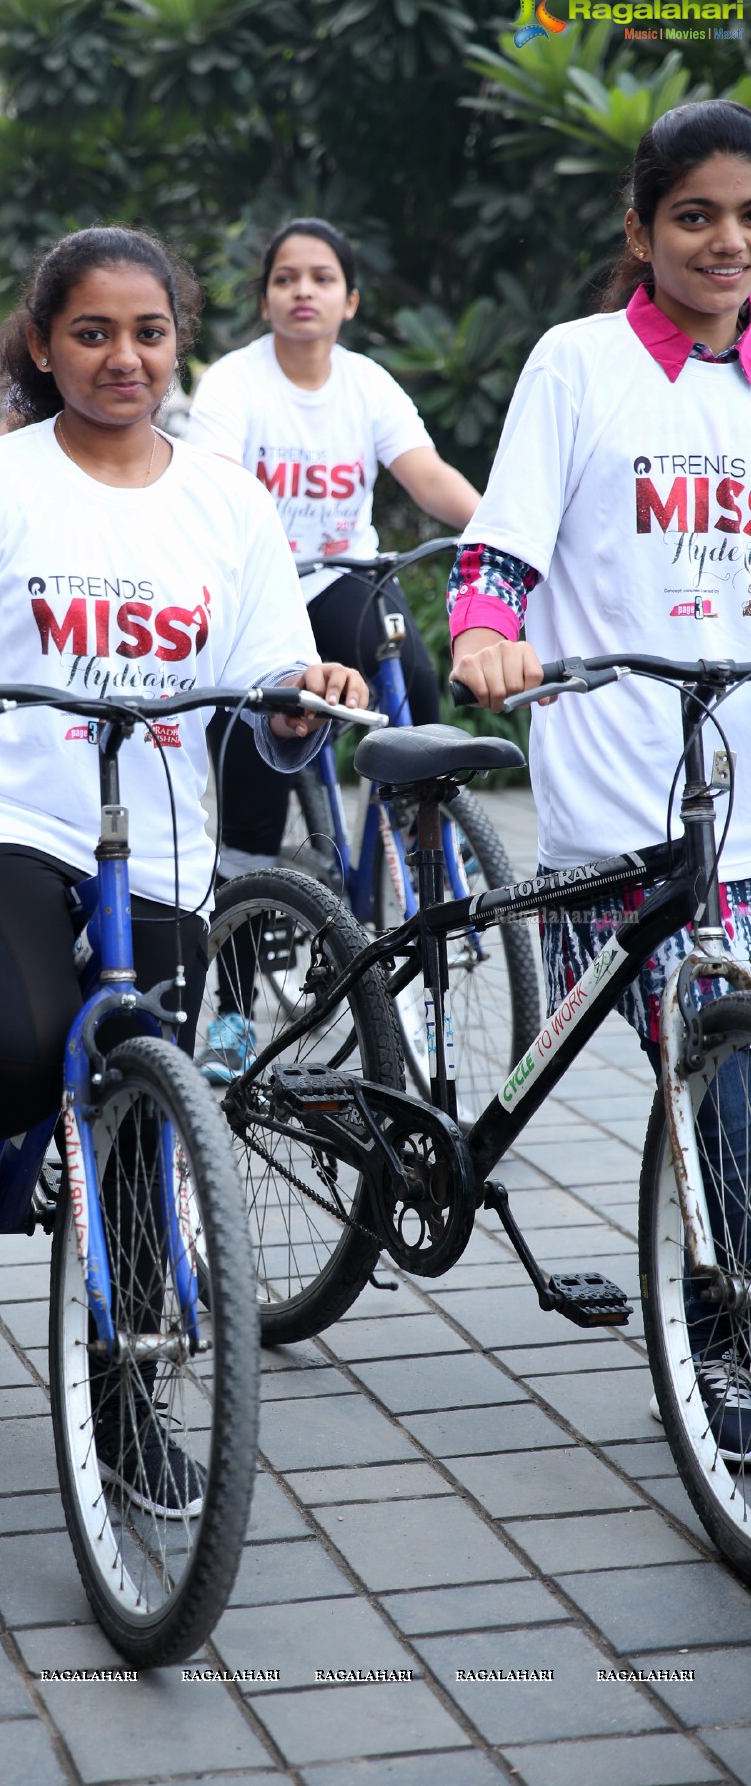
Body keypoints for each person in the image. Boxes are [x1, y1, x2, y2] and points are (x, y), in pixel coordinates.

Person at [0, 226, 367, 1500]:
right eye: (92, 333)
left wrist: (303, 692)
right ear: (41, 342)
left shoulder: (227, 500)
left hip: (155, 834)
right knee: (20, 1048)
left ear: (179, 341)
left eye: (149, 333)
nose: (123, 358)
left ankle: (122, 1405)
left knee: (143, 1113)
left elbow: (267, 671)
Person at [447, 101, 751, 1455]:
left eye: (748, 219)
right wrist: (487, 635)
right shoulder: (578, 365)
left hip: (743, 781)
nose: (727, 242)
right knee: (723, 1061)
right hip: (618, 788)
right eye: (696, 216)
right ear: (642, 231)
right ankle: (724, 1338)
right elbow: (503, 547)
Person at [186, 216, 479, 1077]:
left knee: (409, 676)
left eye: (320, 278)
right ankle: (234, 1015)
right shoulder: (235, 386)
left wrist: (506, 531)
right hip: (253, 595)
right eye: (285, 278)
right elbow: (211, 488)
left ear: (349, 299)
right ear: (268, 296)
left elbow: (423, 474)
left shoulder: (365, 384)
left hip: (337, 580)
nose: (302, 291)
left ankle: (408, 834)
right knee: (249, 801)